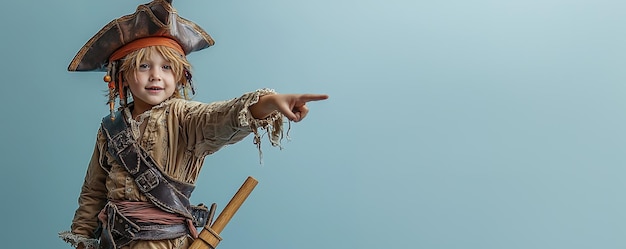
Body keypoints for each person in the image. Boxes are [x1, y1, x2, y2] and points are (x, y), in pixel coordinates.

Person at [58, 1, 327, 248]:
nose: (156, 76)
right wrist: (82, 239)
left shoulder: (185, 117)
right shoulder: (111, 127)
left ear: (179, 75)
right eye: (143, 66)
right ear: (123, 76)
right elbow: (94, 190)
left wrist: (267, 102)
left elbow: (224, 116)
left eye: (166, 67)